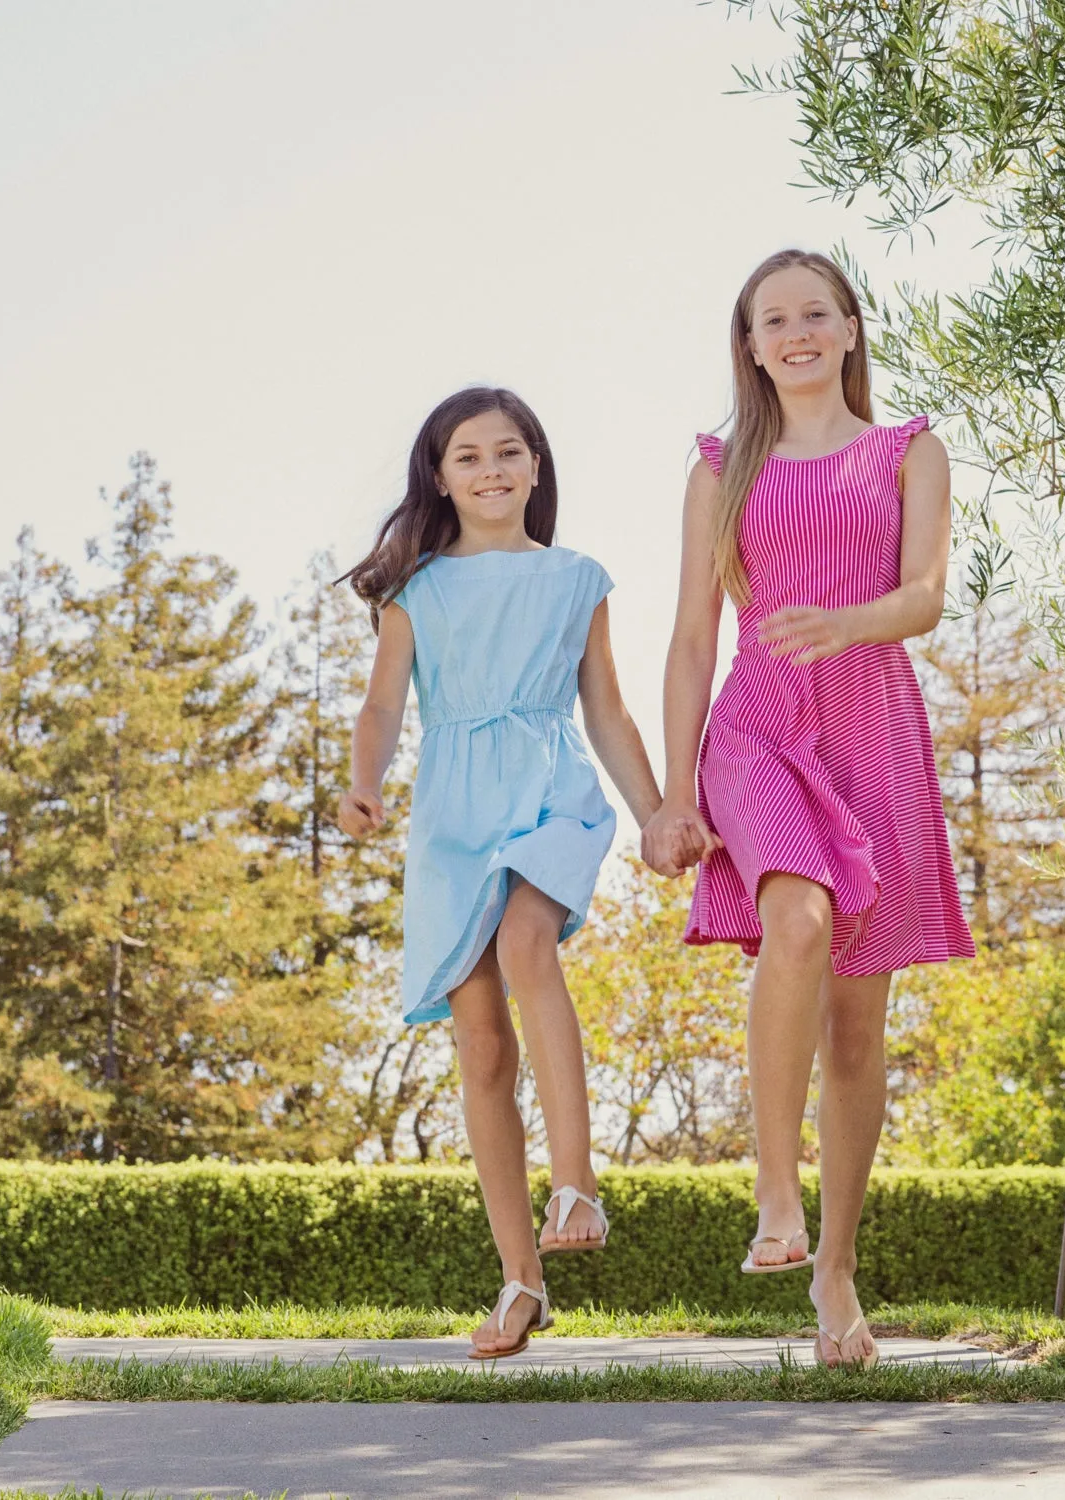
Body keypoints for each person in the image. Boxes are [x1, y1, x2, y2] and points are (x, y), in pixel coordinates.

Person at [644, 250, 975, 1370]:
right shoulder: (719, 468)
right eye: (770, 319)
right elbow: (692, 637)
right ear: (749, 343)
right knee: (793, 919)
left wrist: (849, 622)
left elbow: (926, 598)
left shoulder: (908, 450)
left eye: (813, 314)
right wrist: (674, 792)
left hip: (871, 721)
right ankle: (774, 1194)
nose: (793, 333)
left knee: (856, 1032)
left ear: (847, 330)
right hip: (757, 728)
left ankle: (834, 1271)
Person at [339, 387, 662, 1359]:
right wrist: (364, 786)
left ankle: (579, 1186)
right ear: (440, 476)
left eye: (508, 452)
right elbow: (383, 709)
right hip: (451, 817)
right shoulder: (417, 590)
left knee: (530, 944)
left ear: (536, 466)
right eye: (468, 457)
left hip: (551, 788)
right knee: (480, 1047)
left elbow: (605, 710)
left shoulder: (576, 580)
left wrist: (656, 816)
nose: (490, 470)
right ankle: (522, 1281)